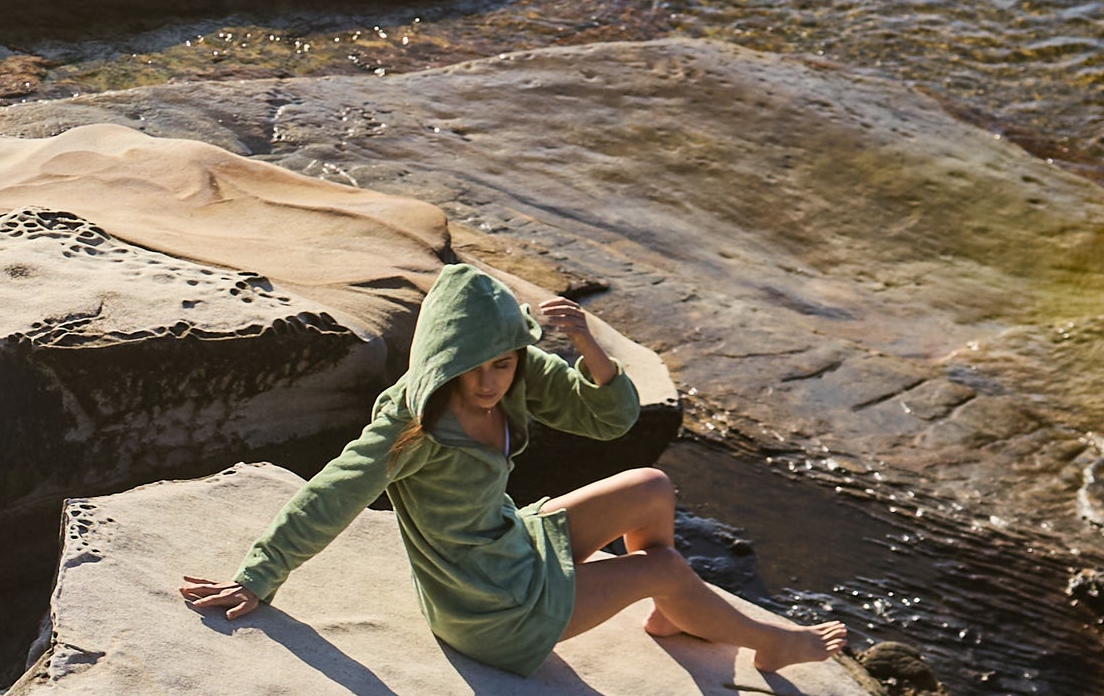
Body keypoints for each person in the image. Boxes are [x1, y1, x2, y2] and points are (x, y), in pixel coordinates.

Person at [178, 265, 847, 675]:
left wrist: (587, 343)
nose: (492, 381)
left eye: (502, 363)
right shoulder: (411, 424)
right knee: (667, 567)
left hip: (513, 547)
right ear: (444, 359)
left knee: (652, 488)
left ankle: (675, 618)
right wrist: (259, 575)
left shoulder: (517, 373)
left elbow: (609, 420)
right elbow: (332, 495)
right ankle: (770, 642)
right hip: (488, 611)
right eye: (475, 366)